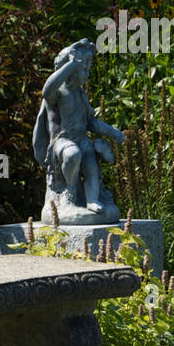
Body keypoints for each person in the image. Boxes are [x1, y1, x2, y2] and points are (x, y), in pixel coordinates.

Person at [32, 39, 125, 219]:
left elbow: (91, 122)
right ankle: (70, 193)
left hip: (82, 139)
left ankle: (92, 199)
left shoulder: (81, 95)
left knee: (90, 164)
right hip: (62, 141)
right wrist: (72, 63)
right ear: (70, 71)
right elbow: (46, 90)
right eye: (84, 70)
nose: (88, 74)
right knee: (73, 155)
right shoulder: (58, 94)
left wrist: (113, 132)